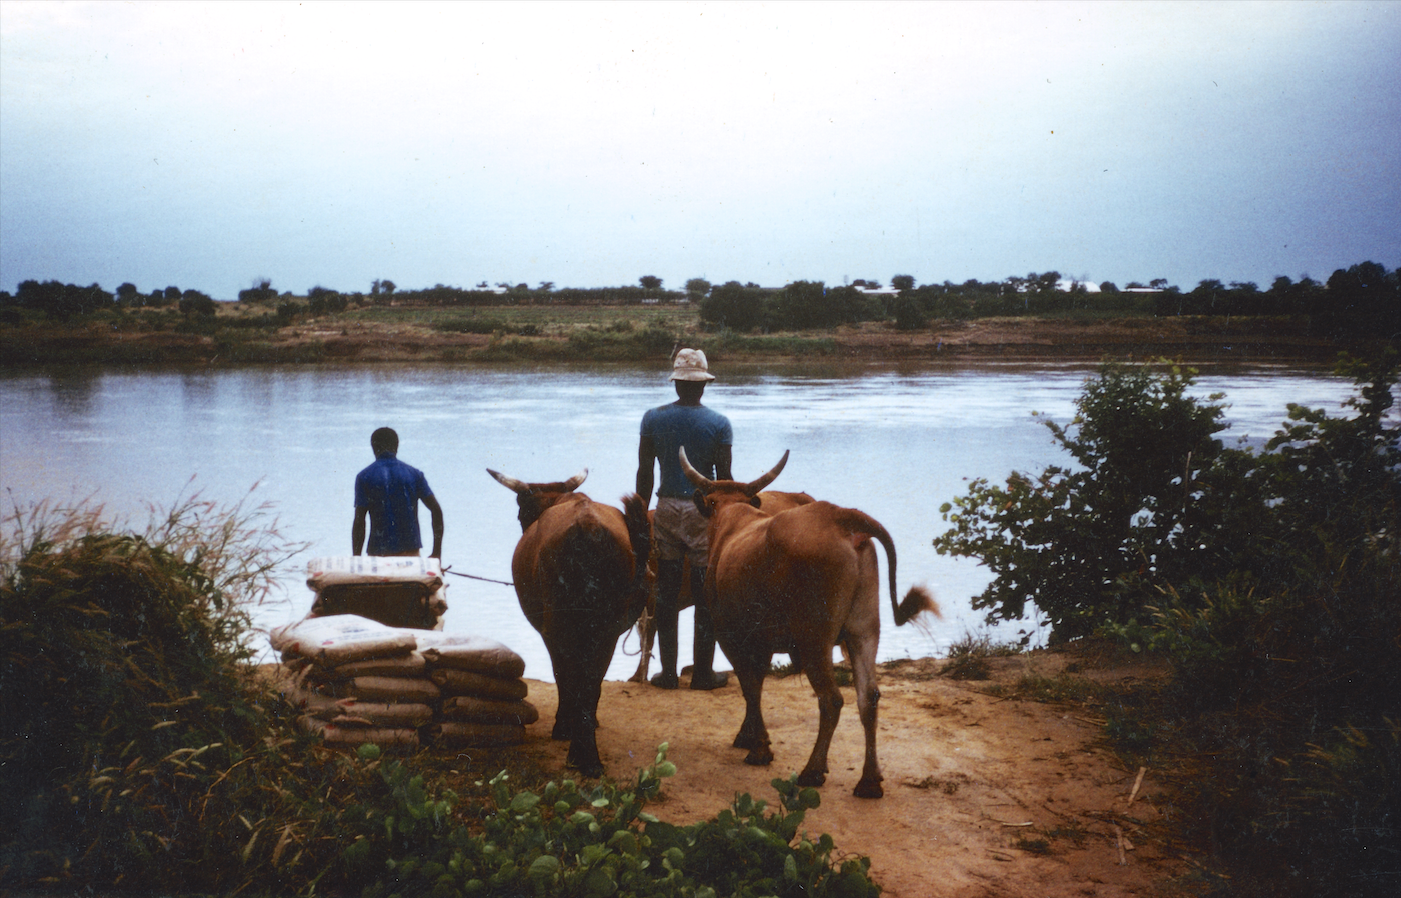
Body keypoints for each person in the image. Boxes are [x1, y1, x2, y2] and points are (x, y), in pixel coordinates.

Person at [636, 348, 732, 690]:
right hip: (701, 510)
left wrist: (639, 513)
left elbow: (645, 472)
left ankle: (668, 674)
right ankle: (703, 674)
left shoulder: (652, 418)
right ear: (703, 386)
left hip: (665, 509)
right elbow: (724, 477)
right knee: (705, 593)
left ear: (677, 385)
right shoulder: (719, 423)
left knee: (667, 591)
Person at [352, 426, 444, 558]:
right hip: (410, 552)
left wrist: (356, 558)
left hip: (378, 554)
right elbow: (436, 510)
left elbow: (360, 520)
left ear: (373, 448)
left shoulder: (364, 476)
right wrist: (436, 553)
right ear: (397, 446)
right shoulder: (414, 474)